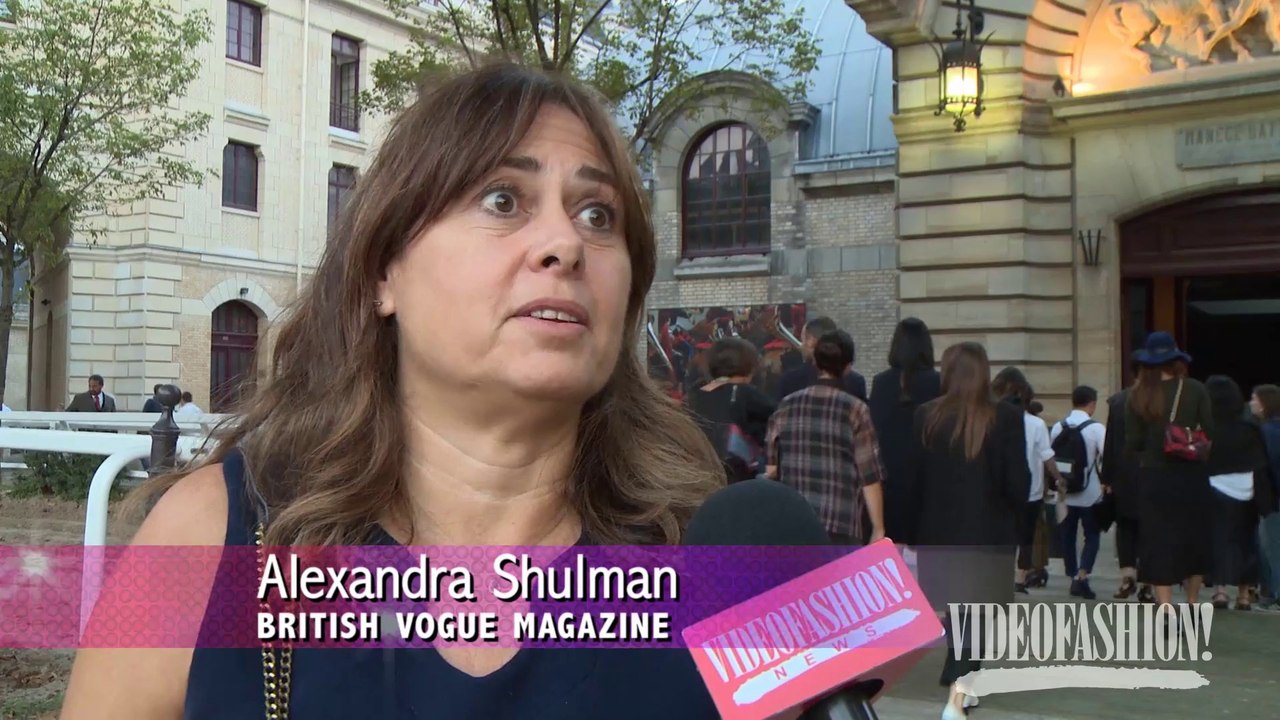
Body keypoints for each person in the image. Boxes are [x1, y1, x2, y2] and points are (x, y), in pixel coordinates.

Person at [62, 64, 725, 719]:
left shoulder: (725, 563)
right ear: (385, 271)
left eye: (598, 214)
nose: (566, 244)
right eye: (502, 200)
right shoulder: (210, 533)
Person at [904, 342, 1029, 720]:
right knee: (977, 613)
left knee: (961, 612)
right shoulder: (1006, 417)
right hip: (989, 531)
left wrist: (912, 530)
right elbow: (1018, 483)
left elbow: (914, 480)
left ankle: (965, 682)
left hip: (938, 531)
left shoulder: (925, 415)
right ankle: (957, 698)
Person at [766, 330, 886, 546]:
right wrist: (878, 528)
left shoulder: (787, 405)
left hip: (795, 519)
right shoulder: (856, 409)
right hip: (841, 520)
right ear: (848, 366)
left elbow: (771, 469)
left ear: (816, 363)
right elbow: (869, 475)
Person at [1125, 331, 1214, 613]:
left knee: (1158, 539)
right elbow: (1210, 431)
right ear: (1176, 359)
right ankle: (1191, 604)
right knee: (1194, 538)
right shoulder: (1196, 389)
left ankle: (1165, 608)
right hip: (1191, 476)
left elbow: (1133, 442)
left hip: (1154, 477)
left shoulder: (1136, 395)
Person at [869, 317, 941, 544]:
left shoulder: (881, 382)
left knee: (892, 550)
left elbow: (874, 428)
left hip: (889, 478)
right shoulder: (937, 382)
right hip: (927, 478)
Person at [1204, 375, 1271, 610]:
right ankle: (1244, 594)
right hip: (1247, 489)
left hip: (1214, 487)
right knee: (1246, 542)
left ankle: (1220, 591)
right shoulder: (1250, 427)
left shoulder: (1207, 428)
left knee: (1217, 540)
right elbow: (1261, 462)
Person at [990, 368, 1059, 595]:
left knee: (1003, 534)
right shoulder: (1036, 424)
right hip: (1031, 489)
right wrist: (1058, 479)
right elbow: (1047, 455)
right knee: (1026, 536)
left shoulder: (991, 417)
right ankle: (1020, 578)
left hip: (1000, 488)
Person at [686, 337, 777, 483]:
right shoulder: (750, 396)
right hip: (740, 479)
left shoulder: (695, 395)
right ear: (750, 366)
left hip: (700, 475)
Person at [1100, 357, 1154, 602]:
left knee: (1125, 527)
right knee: (1150, 529)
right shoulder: (1163, 401)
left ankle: (1127, 576)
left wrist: (1107, 477)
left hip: (1124, 474)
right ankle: (1147, 582)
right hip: (1154, 473)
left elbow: (1110, 443)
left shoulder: (1119, 400)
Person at [1050, 385, 1106, 600]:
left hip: (1064, 492)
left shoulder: (1057, 427)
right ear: (1091, 404)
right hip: (1089, 492)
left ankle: (1072, 574)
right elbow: (1105, 456)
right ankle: (1082, 575)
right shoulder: (1096, 428)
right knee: (1092, 535)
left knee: (1067, 535)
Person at [775, 316, 867, 402]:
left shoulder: (790, 380)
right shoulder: (856, 381)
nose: (802, 346)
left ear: (811, 341)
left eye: (803, 340)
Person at [1251, 384, 1280, 609]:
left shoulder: (1266, 432)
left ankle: (1273, 593)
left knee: (1270, 547)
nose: (1251, 403)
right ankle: (1269, 593)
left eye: (1254, 399)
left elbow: (1267, 467)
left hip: (1272, 500)